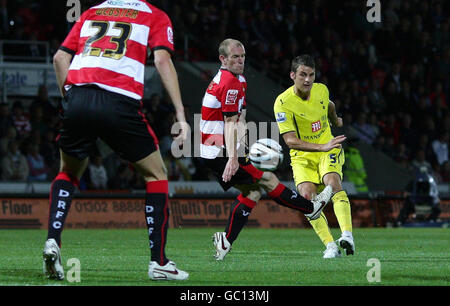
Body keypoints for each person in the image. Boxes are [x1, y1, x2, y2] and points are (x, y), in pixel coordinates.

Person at [43, 0, 189, 281]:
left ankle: (53, 240)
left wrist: (70, 100)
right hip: (118, 100)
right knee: (156, 173)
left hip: (78, 96)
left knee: (68, 172)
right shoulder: (154, 15)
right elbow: (162, 60)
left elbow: (59, 58)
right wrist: (180, 112)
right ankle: (158, 261)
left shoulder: (92, 11)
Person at [199, 39, 333, 261]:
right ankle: (310, 207)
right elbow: (230, 123)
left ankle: (225, 242)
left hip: (219, 149)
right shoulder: (229, 82)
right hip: (218, 151)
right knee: (268, 180)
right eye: (235, 57)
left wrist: (244, 148)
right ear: (222, 59)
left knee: (253, 191)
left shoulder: (239, 80)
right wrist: (234, 158)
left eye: (242, 56)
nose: (240, 60)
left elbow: (239, 118)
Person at [273, 55, 353, 258]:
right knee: (308, 198)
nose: (307, 80)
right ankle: (330, 246)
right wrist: (321, 146)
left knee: (332, 182)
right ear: (292, 75)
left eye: (311, 75)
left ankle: (347, 235)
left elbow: (330, 105)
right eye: (302, 75)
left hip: (329, 147)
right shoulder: (283, 102)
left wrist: (336, 120)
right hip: (302, 155)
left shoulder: (321, 89)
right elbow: (290, 141)